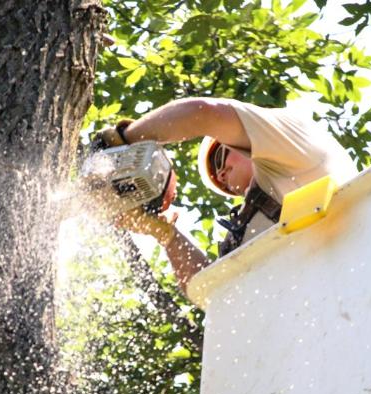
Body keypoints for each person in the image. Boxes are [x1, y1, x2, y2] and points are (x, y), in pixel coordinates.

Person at [96, 97, 357, 293]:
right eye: (219, 179)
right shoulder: (252, 228)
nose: (221, 175)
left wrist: (122, 140)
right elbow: (211, 292)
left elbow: (205, 114)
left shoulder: (295, 142)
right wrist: (167, 235)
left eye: (221, 156)